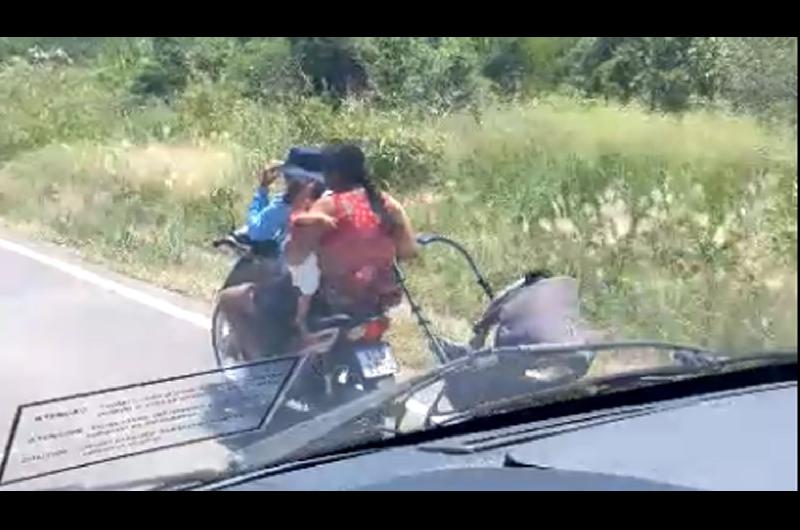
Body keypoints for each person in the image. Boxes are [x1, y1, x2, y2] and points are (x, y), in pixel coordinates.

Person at [217, 147, 327, 362]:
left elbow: (257, 230)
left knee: (229, 299)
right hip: (331, 280)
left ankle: (260, 367)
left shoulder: (289, 202)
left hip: (295, 280)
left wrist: (262, 189)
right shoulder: (336, 201)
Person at [289, 142, 418, 320]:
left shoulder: (327, 206)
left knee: (239, 296)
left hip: (339, 298)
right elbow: (409, 251)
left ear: (332, 173)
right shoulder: (388, 203)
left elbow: (296, 257)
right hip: (382, 297)